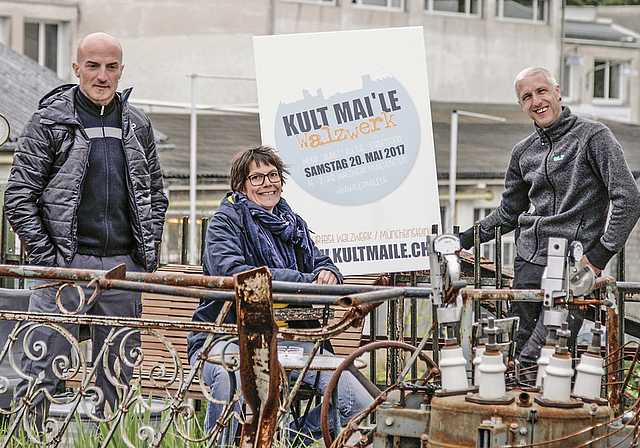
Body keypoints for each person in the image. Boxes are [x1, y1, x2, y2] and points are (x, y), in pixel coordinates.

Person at [4, 32, 168, 428]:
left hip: (121, 271)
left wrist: (143, 258)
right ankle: (29, 439)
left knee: (117, 379)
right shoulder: (49, 122)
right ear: (76, 69)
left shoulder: (137, 124)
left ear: (121, 70)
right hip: (64, 269)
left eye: (111, 67)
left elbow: (156, 196)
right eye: (93, 66)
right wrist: (50, 261)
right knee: (40, 370)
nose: (102, 75)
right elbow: (19, 197)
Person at [187, 145, 373, 446]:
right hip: (228, 338)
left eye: (272, 175)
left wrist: (329, 274)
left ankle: (286, 441)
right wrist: (305, 281)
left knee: (359, 403)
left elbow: (321, 262)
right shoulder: (225, 222)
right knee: (228, 379)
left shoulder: (292, 224)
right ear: (241, 184)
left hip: (292, 341)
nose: (267, 184)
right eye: (257, 178)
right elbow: (233, 271)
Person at [459, 67, 640, 367]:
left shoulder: (594, 137)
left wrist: (598, 257)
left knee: (549, 353)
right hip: (529, 262)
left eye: (541, 91)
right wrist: (463, 239)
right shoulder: (522, 152)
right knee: (518, 353)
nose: (536, 101)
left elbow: (629, 199)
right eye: (526, 96)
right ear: (521, 105)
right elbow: (509, 212)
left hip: (573, 266)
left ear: (557, 91)